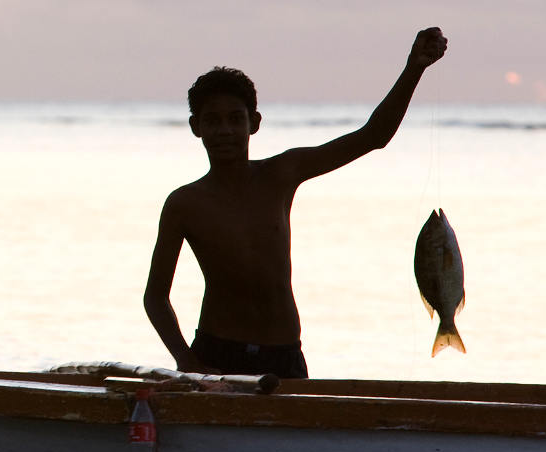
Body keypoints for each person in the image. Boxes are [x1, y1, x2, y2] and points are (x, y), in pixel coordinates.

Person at [143, 27, 449, 378]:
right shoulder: (184, 203)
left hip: (283, 354)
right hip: (216, 352)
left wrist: (414, 68)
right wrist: (187, 361)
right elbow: (155, 297)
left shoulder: (282, 174)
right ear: (196, 127)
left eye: (235, 119)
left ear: (254, 124)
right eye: (212, 121)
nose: (225, 131)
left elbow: (373, 136)